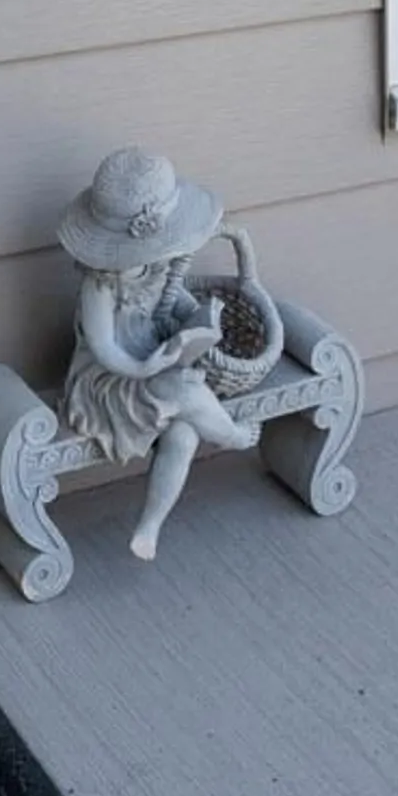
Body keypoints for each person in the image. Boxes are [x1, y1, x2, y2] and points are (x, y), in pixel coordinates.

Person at [56, 148, 254, 560]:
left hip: (154, 363)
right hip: (111, 381)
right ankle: (233, 435)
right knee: (183, 391)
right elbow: (104, 348)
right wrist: (143, 366)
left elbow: (176, 301)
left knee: (183, 436)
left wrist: (198, 320)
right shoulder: (101, 286)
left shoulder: (159, 266)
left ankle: (149, 527)